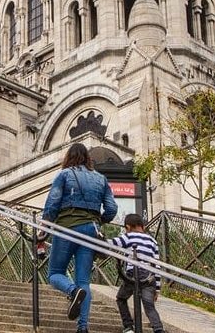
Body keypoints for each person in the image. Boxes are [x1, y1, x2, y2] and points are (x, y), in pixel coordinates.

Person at [41, 142, 118, 333]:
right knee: (83, 280)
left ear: (69, 157)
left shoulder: (64, 175)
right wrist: (99, 220)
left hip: (67, 228)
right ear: (87, 158)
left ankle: (73, 291)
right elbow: (112, 209)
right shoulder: (101, 179)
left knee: (54, 274)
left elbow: (52, 204)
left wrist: (44, 229)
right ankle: (82, 327)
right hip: (91, 231)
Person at [111, 213, 164, 333]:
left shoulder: (128, 236)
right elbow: (157, 265)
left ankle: (129, 326)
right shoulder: (152, 241)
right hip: (149, 277)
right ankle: (158, 329)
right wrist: (157, 289)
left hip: (133, 275)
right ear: (143, 226)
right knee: (149, 306)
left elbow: (111, 243)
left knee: (121, 298)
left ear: (128, 227)